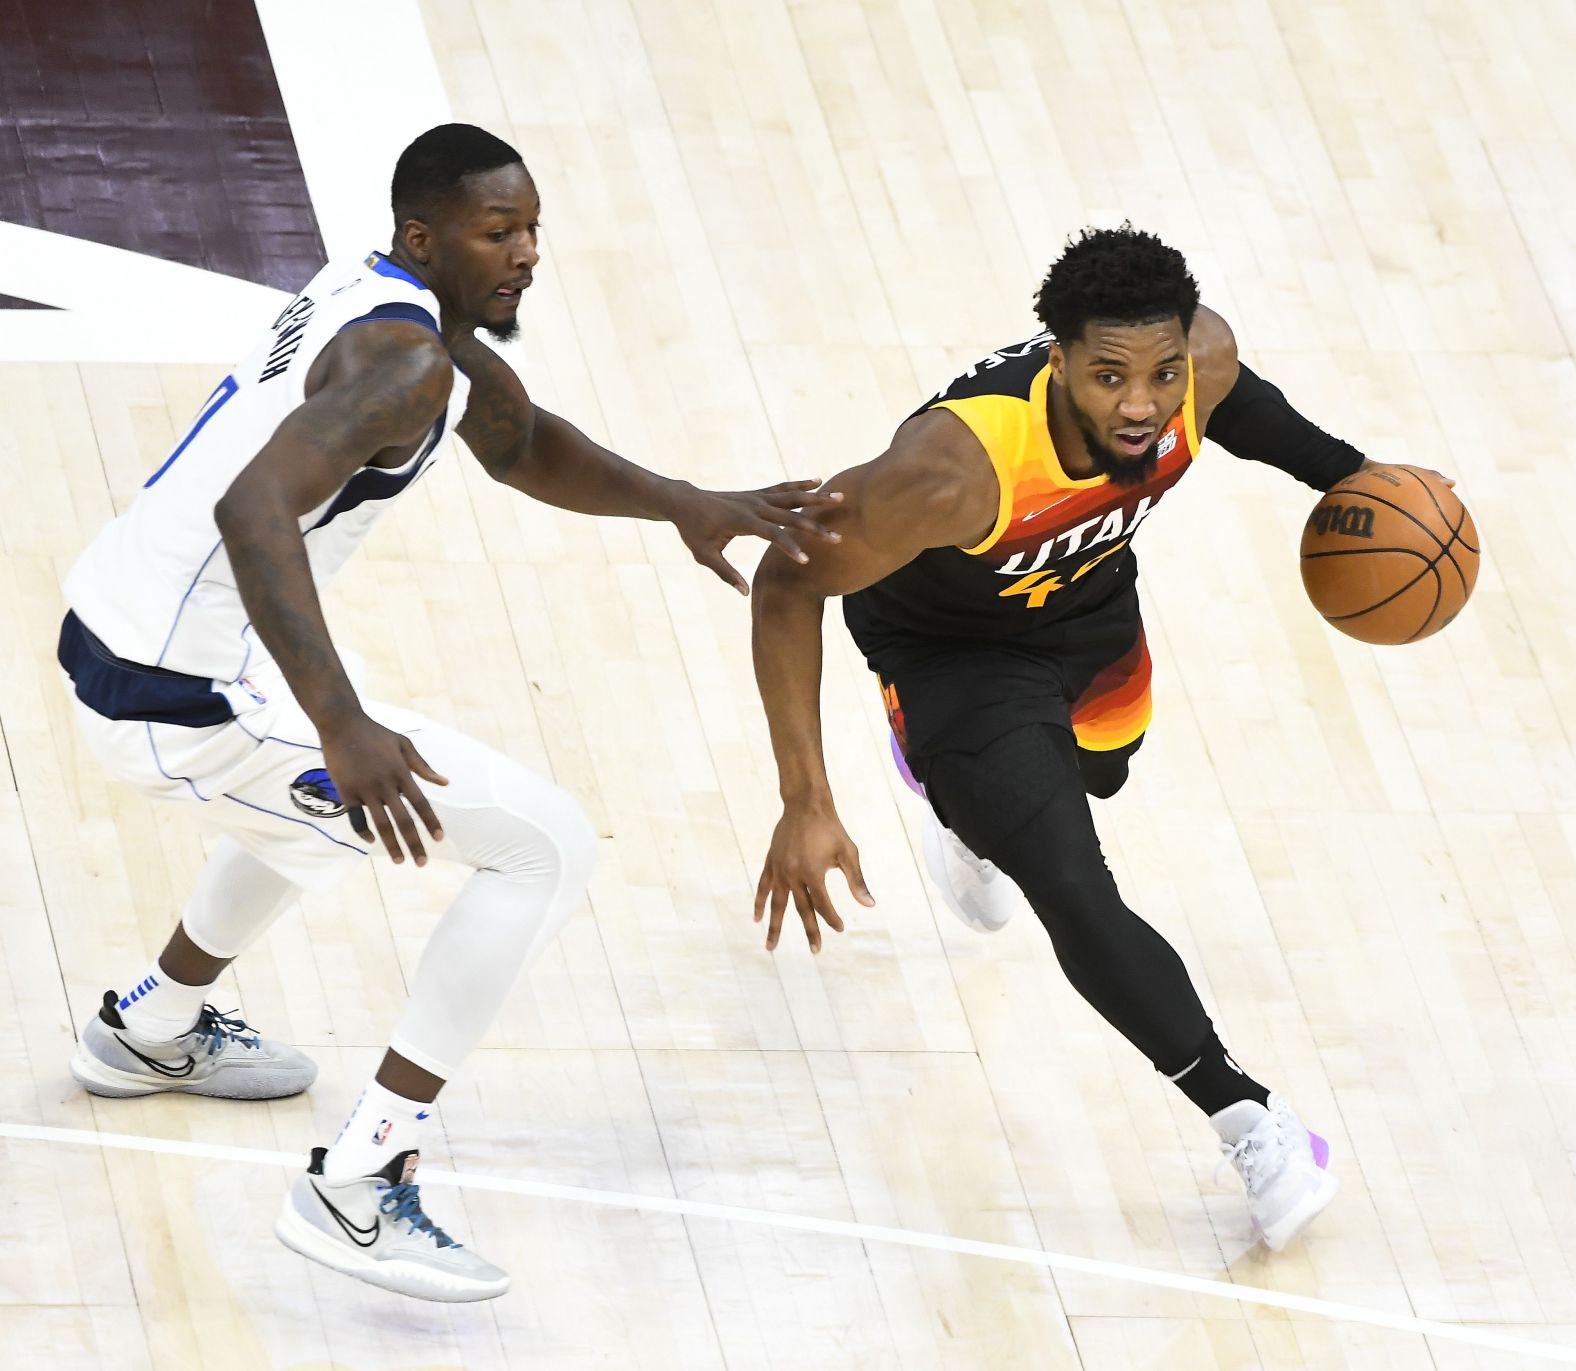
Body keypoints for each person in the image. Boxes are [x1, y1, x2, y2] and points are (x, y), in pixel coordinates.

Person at [59, 123, 837, 1301]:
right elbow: (253, 510)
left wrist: (687, 501)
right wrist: (341, 728)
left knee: (320, 808)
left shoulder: (407, 313)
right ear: (425, 236)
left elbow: (519, 441)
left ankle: (152, 1025)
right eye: (498, 232)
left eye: (532, 229)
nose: (527, 253)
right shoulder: (404, 363)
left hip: (144, 628)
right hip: (174, 691)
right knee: (538, 846)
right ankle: (357, 1184)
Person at [751, 225, 1450, 1250]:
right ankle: (1250, 1118)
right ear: (1059, 357)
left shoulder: (1197, 365)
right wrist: (806, 798)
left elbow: (1234, 398)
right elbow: (786, 579)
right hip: (955, 651)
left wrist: (1353, 480)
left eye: (1161, 374)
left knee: (1104, 773)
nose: (1141, 403)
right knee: (1072, 886)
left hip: (1085, 607)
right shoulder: (950, 470)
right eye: (1110, 375)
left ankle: (974, 810)